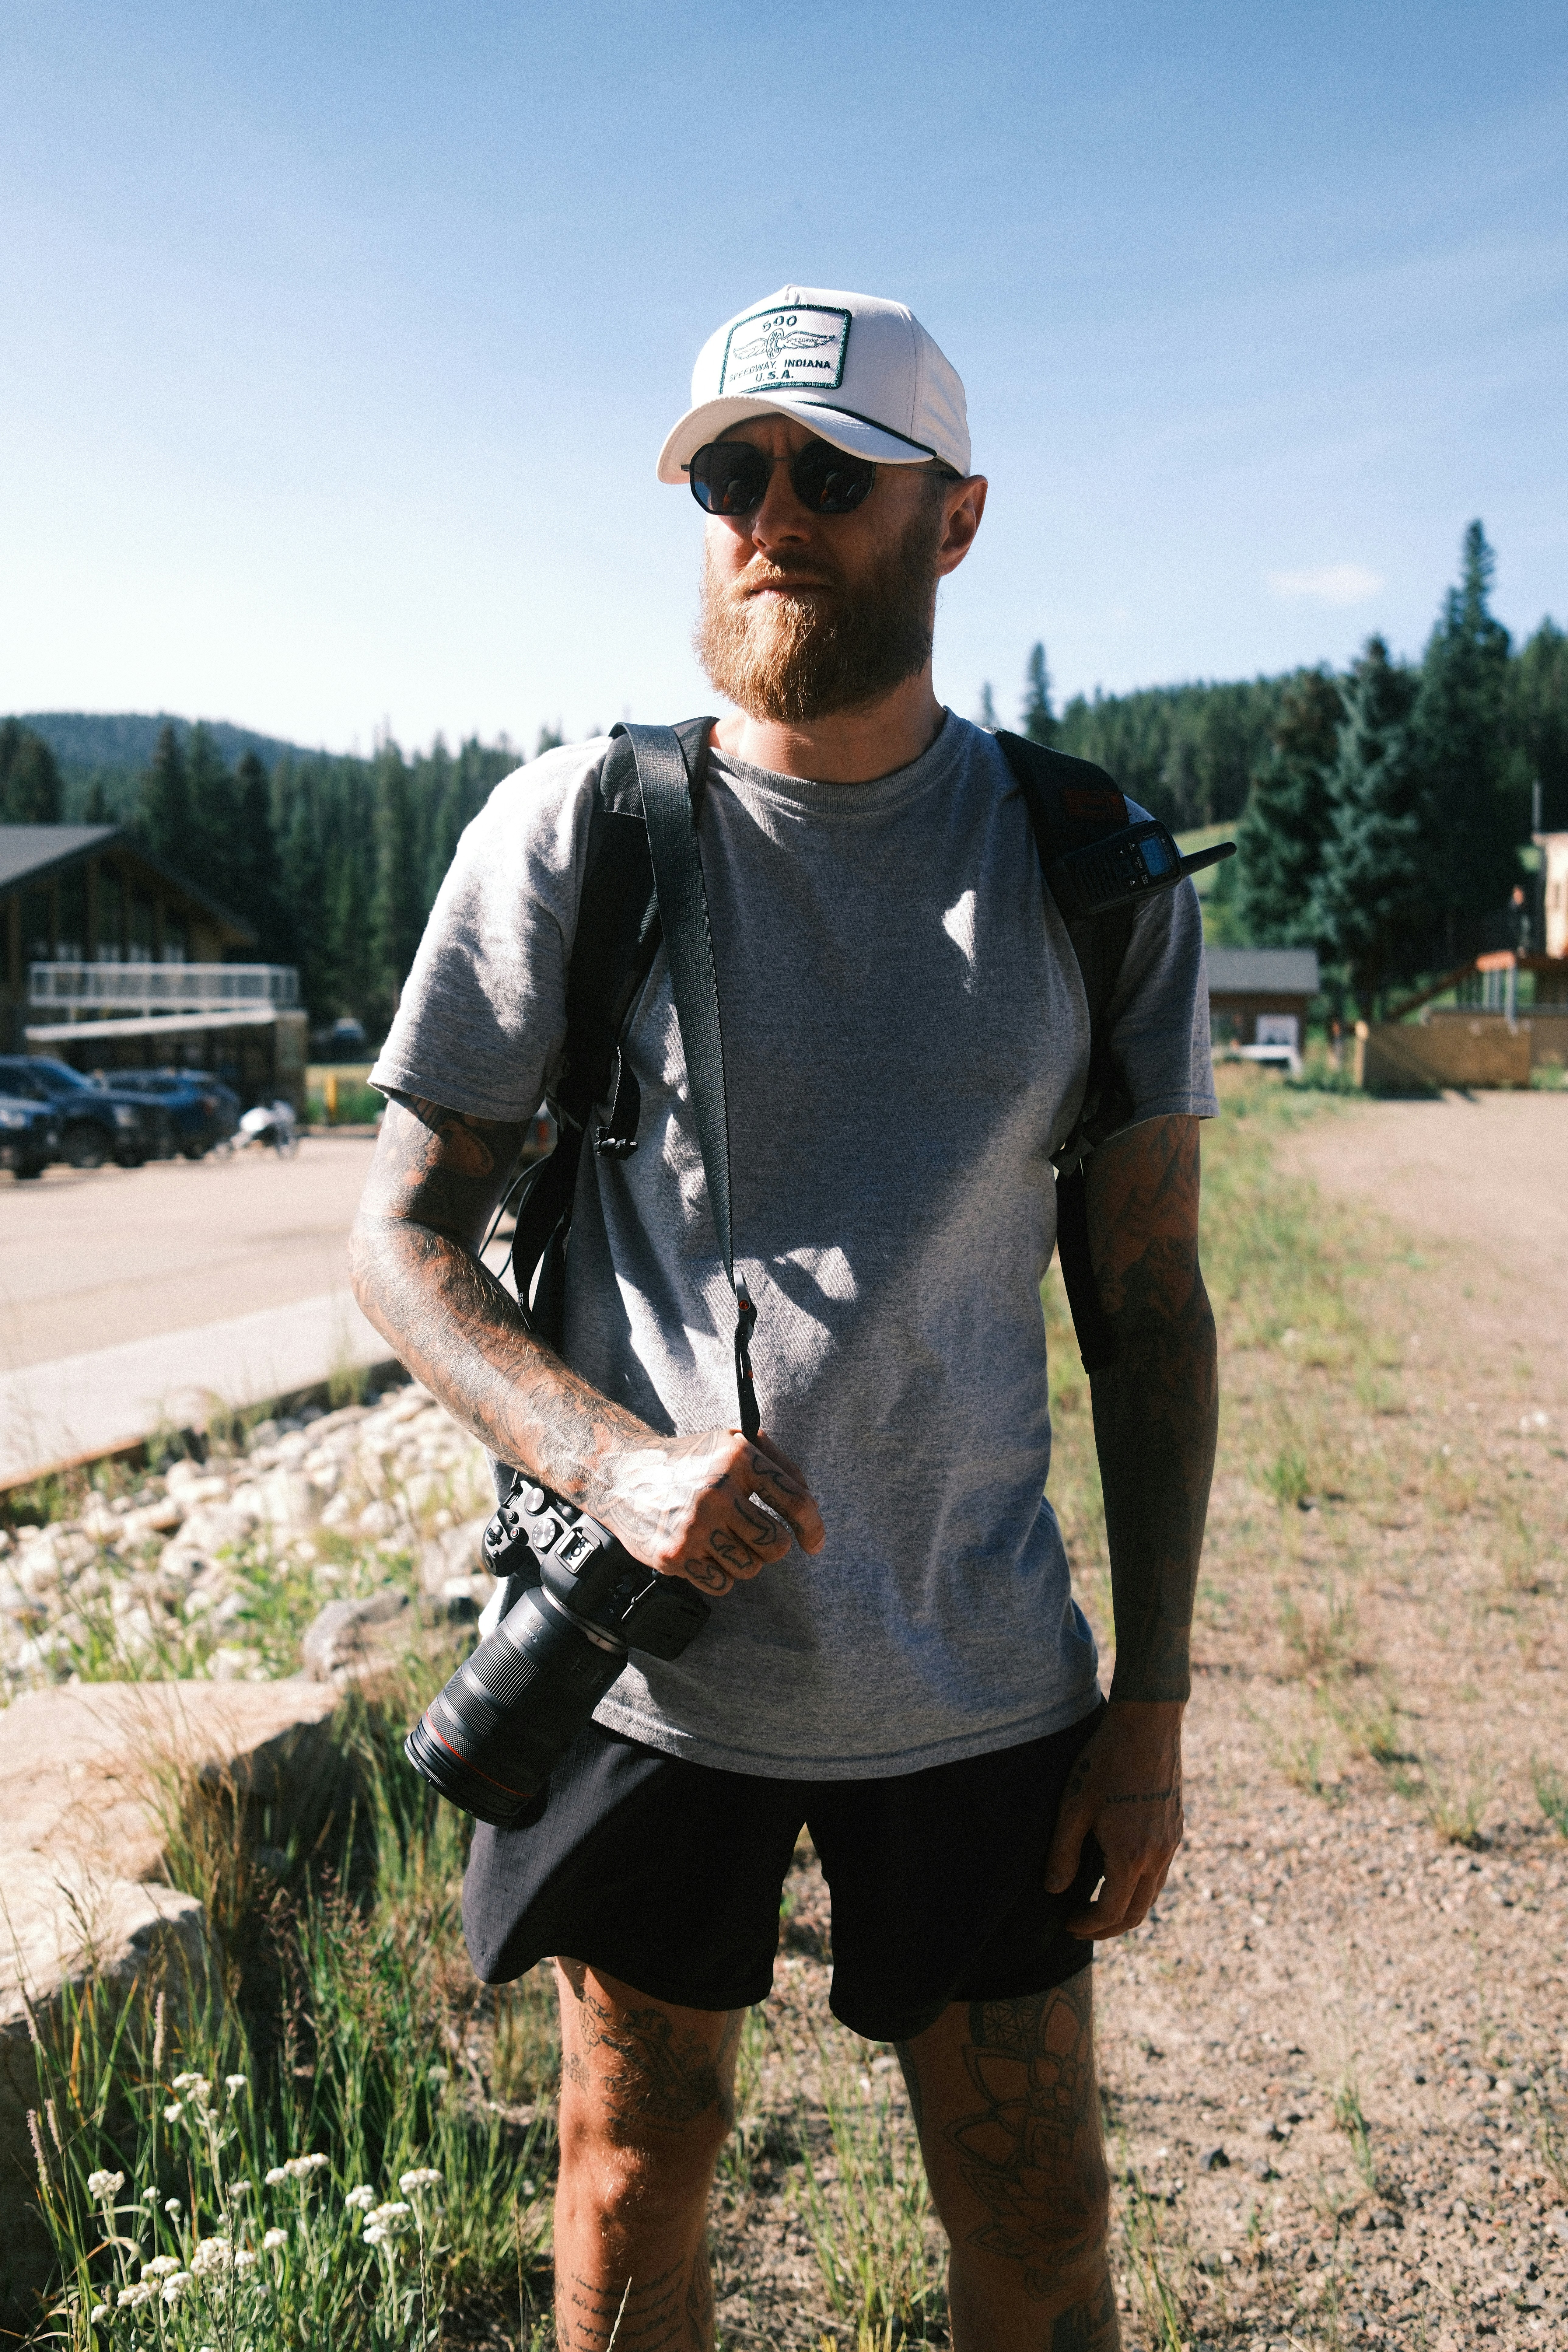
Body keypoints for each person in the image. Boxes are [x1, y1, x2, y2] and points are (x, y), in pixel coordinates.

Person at [351, 283, 1219, 2352]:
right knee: (631, 2173)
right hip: (646, 1688)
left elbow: (1155, 1298)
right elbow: (401, 1247)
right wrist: (614, 1465)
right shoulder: (576, 837)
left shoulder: (1085, 863)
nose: (772, 515)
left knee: (1035, 2201)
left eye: (833, 475)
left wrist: (1159, 1705)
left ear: (960, 519)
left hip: (987, 1684)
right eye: (731, 475)